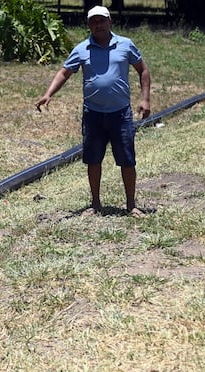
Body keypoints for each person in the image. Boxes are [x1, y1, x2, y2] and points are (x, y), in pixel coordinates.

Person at [36, 5, 151, 218]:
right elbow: (64, 72)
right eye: (93, 21)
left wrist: (145, 99)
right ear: (89, 24)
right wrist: (48, 93)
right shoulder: (82, 49)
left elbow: (143, 70)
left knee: (127, 160)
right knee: (93, 159)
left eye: (101, 20)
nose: (97, 25)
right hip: (93, 114)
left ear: (110, 21)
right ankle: (95, 203)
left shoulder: (125, 45)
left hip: (120, 113)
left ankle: (131, 204)